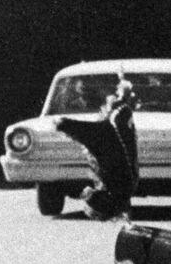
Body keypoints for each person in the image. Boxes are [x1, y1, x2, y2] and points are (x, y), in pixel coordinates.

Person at [56, 78, 139, 220]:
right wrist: (63, 125)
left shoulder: (121, 189)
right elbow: (96, 135)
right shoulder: (115, 183)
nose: (86, 191)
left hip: (115, 143)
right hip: (113, 142)